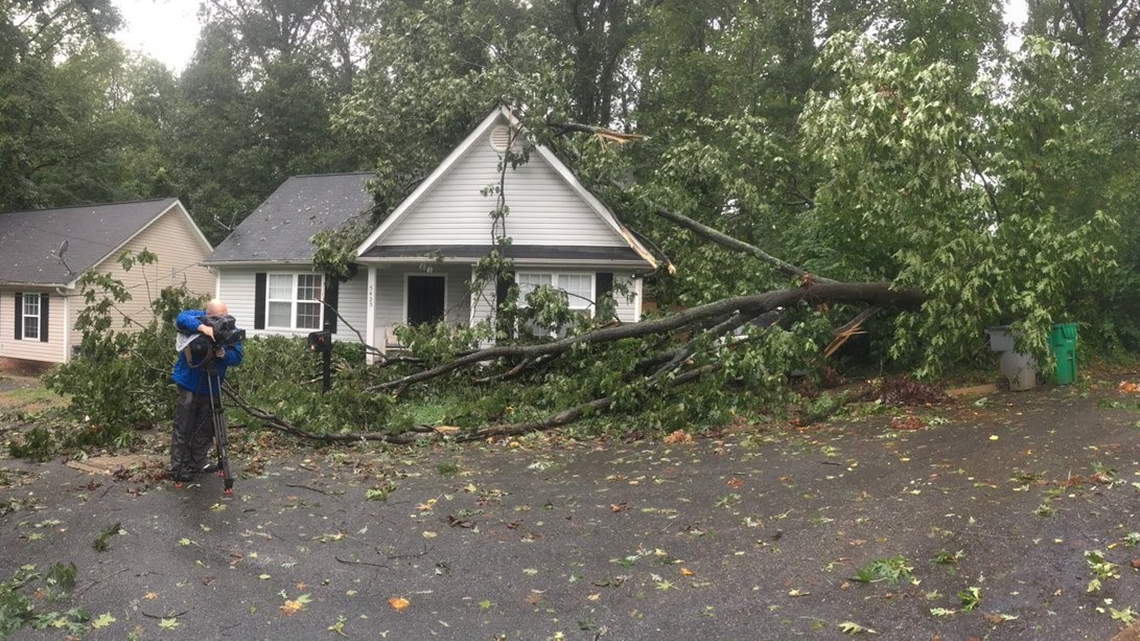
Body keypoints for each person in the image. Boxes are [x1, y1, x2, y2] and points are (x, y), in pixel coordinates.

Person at [170, 299, 243, 485]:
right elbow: (181, 319)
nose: (222, 320)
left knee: (208, 425)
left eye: (225, 315)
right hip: (189, 381)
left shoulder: (229, 328)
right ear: (208, 314)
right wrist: (203, 328)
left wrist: (224, 355)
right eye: (218, 317)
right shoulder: (196, 317)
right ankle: (180, 467)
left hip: (212, 382)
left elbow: (237, 357)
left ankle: (198, 461)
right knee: (185, 424)